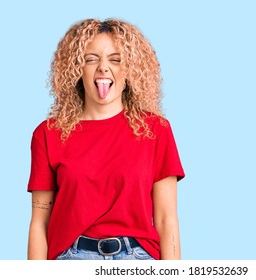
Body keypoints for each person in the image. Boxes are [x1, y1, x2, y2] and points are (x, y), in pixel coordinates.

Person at [27, 18, 185, 260]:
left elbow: (167, 219)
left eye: (116, 59)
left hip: (138, 259)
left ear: (130, 69)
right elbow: (39, 223)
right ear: (76, 69)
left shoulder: (156, 130)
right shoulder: (48, 134)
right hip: (71, 259)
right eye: (91, 59)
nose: (103, 68)